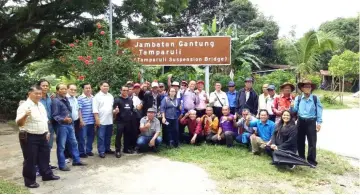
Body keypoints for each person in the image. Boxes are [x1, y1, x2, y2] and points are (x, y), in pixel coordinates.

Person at [16, 85, 60, 188]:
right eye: (36, 93)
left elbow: (45, 120)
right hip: (29, 136)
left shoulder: (40, 105)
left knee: (44, 156)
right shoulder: (24, 106)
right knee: (30, 159)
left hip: (42, 135)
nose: (38, 95)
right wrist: (25, 115)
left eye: (40, 93)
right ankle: (30, 181)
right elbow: (19, 123)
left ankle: (47, 175)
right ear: (29, 94)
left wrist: (47, 132)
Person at [52, 83, 86, 171]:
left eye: (64, 89)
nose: (64, 90)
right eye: (61, 89)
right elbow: (55, 116)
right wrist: (64, 119)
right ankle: (62, 165)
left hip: (70, 125)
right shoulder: (56, 101)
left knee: (74, 143)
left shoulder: (66, 99)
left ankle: (76, 160)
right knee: (61, 146)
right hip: (61, 126)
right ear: (57, 91)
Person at [292, 80, 323, 167]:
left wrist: (319, 123)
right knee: (300, 141)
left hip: (311, 122)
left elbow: (319, 111)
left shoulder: (315, 99)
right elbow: (294, 110)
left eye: (309, 87)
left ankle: (311, 161)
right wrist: (291, 106)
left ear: (311, 88)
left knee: (312, 142)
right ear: (302, 88)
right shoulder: (298, 98)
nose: (307, 88)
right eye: (305, 87)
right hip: (300, 121)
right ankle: (301, 158)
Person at [37, 79, 57, 170]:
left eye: (46, 86)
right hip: (40, 126)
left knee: (49, 146)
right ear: (39, 86)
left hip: (50, 125)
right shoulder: (36, 98)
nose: (45, 87)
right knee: (40, 147)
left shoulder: (50, 98)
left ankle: (46, 165)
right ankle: (37, 167)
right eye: (43, 85)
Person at [93, 81, 115, 158]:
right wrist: (97, 119)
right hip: (101, 120)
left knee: (108, 136)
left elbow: (111, 108)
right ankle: (101, 151)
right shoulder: (97, 96)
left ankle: (107, 149)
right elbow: (95, 109)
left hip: (109, 120)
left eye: (107, 86)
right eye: (104, 86)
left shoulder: (110, 96)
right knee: (101, 136)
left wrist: (114, 111)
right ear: (100, 87)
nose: (106, 87)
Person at [113, 86, 135, 157]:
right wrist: (115, 111)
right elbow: (114, 110)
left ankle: (126, 148)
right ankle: (118, 150)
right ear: (121, 90)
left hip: (128, 121)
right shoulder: (117, 99)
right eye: (123, 90)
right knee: (119, 136)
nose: (125, 92)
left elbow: (131, 109)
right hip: (120, 121)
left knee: (127, 135)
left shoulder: (130, 100)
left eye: (126, 90)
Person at [77, 83, 95, 157]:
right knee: (82, 137)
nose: (88, 89)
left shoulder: (93, 97)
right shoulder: (80, 98)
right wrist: (81, 120)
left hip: (92, 121)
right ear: (83, 89)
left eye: (89, 88)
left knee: (91, 137)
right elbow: (79, 110)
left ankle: (88, 150)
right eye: (86, 88)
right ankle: (81, 152)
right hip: (84, 122)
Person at [66, 84, 81, 160]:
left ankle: (72, 154)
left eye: (75, 90)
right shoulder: (65, 98)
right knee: (68, 139)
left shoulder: (75, 98)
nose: (73, 91)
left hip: (76, 121)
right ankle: (67, 155)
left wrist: (80, 120)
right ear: (67, 89)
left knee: (74, 138)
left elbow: (78, 109)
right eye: (71, 89)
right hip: (68, 122)